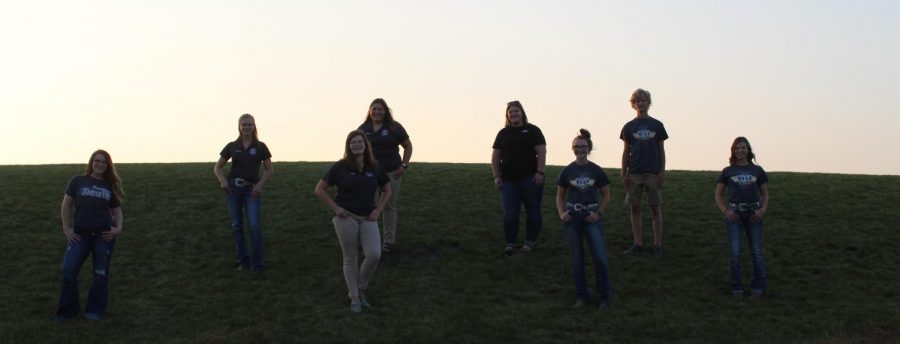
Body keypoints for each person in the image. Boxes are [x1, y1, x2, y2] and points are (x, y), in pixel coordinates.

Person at [314, 130, 391, 313]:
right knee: (350, 257)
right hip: (345, 216)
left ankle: (360, 288)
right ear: (348, 146)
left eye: (360, 142)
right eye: (353, 142)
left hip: (368, 217)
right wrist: (336, 208)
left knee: (374, 254)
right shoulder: (340, 167)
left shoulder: (374, 166)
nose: (357, 145)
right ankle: (355, 297)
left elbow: (387, 190)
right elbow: (319, 189)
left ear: (366, 145)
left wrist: (378, 210)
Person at [54, 149, 125, 322]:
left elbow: (117, 212)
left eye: (103, 162)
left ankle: (94, 310)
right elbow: (66, 206)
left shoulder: (109, 187)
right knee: (68, 270)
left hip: (103, 236)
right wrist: (67, 229)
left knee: (100, 273)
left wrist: (118, 228)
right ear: (91, 163)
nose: (99, 164)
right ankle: (68, 310)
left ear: (107, 166)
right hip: (80, 235)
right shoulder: (78, 181)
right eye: (97, 161)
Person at [555, 129, 612, 309]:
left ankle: (604, 297)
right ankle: (582, 296)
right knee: (577, 259)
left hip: (591, 217)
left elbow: (606, 195)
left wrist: (599, 213)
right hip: (573, 219)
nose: (580, 149)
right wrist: (562, 213)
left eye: (583, 146)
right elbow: (559, 196)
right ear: (572, 149)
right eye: (576, 146)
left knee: (600, 258)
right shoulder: (567, 171)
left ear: (589, 148)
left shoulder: (596, 170)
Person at [214, 113, 273, 272]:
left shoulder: (260, 146)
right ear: (239, 127)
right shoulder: (232, 146)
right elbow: (217, 167)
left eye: (250, 124)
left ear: (254, 127)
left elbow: (269, 169)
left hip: (251, 190)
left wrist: (259, 185)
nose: (247, 127)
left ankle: (257, 263)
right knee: (236, 226)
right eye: (244, 124)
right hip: (233, 188)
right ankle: (242, 261)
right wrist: (223, 181)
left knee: (254, 225)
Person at [715, 137, 769, 301]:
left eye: (743, 148)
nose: (740, 151)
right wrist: (725, 211)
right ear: (733, 151)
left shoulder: (757, 171)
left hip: (754, 215)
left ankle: (758, 287)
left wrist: (762, 210)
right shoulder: (727, 171)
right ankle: (737, 287)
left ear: (748, 150)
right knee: (735, 253)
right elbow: (718, 194)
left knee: (757, 253)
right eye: (737, 148)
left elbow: (765, 194)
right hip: (735, 216)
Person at [491, 100, 547, 254]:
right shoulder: (503, 133)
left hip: (530, 178)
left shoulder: (533, 130)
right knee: (510, 213)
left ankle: (529, 242)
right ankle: (510, 243)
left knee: (533, 211)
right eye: (510, 112)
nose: (513, 114)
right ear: (507, 116)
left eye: (516, 111)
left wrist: (540, 172)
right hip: (508, 180)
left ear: (522, 113)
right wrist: (497, 176)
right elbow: (495, 156)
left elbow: (541, 152)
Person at [358, 98, 412, 253]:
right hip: (369, 173)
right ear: (369, 111)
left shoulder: (395, 127)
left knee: (389, 206)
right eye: (374, 109)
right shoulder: (363, 128)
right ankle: (370, 240)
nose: (377, 112)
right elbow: (354, 146)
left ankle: (388, 241)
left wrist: (404, 165)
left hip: (391, 172)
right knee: (369, 206)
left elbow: (408, 146)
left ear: (386, 111)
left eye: (380, 109)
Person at [620, 88, 669, 256]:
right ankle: (638, 243)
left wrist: (662, 171)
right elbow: (626, 151)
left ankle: (657, 244)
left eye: (644, 100)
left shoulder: (657, 125)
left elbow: (661, 150)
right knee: (634, 207)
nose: (641, 103)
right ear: (633, 104)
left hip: (653, 172)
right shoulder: (628, 127)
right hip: (634, 172)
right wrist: (623, 172)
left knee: (655, 207)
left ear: (649, 103)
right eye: (638, 100)